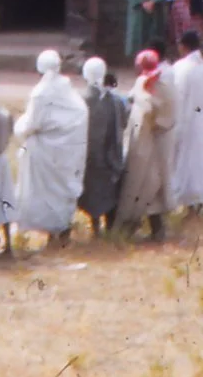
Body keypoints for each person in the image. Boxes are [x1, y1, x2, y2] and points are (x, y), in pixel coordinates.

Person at [14, 49, 86, 243]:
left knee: (47, 194)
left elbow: (31, 124)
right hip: (66, 154)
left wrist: (18, 126)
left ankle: (53, 231)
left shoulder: (41, 93)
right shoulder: (67, 90)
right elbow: (79, 115)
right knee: (60, 192)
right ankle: (61, 229)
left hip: (45, 154)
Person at [115, 51, 174, 241]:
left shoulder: (158, 88)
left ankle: (154, 229)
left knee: (148, 185)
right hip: (140, 141)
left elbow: (161, 115)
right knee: (140, 184)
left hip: (150, 144)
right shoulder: (144, 83)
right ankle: (135, 227)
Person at [165, 31, 203, 214]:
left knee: (185, 160)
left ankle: (189, 201)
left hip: (187, 118)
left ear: (183, 45)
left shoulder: (182, 67)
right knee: (201, 160)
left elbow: (177, 96)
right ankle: (198, 200)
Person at [78, 58, 126, 234]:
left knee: (91, 192)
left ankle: (95, 227)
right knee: (108, 191)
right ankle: (109, 226)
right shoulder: (116, 101)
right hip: (110, 157)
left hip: (89, 156)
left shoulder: (81, 100)